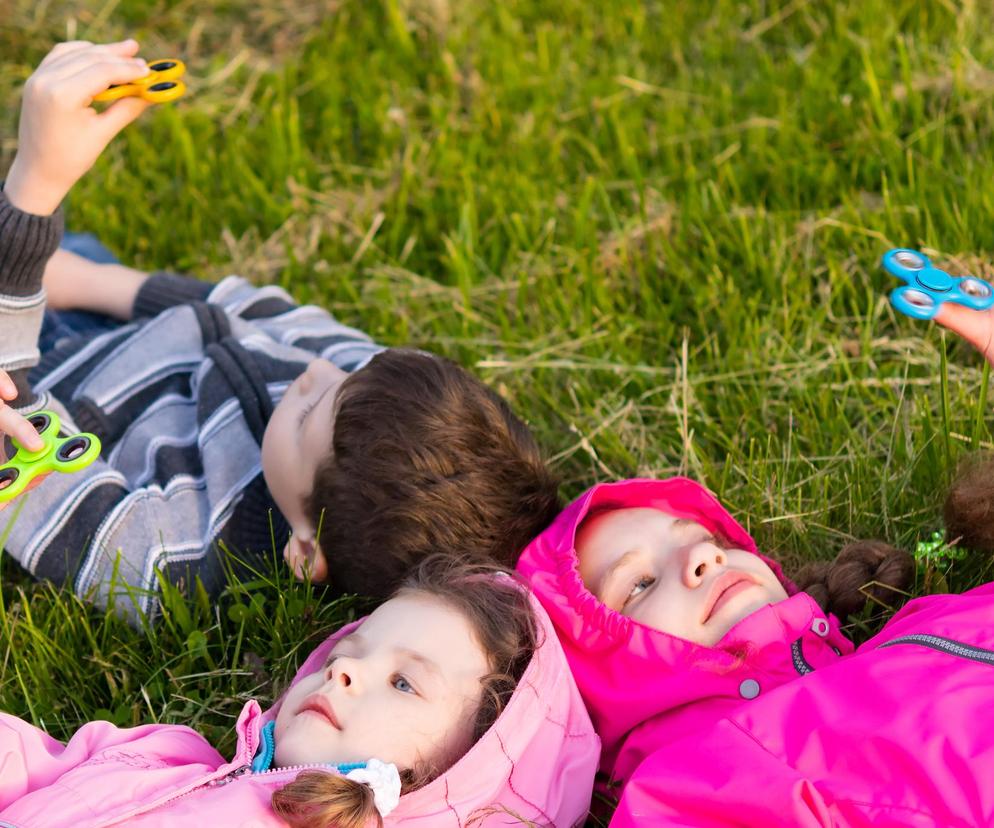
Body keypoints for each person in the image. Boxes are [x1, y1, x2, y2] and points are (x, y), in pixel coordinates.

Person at [0, 40, 560, 621]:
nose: (312, 370)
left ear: (304, 550)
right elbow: (256, 308)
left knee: (26, 210)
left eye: (304, 413)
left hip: (29, 394)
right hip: (108, 321)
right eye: (347, 371)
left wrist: (33, 198)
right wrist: (95, 282)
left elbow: (23, 467)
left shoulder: (170, 558)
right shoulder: (361, 395)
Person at [515, 469, 994, 826]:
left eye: (702, 538)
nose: (704, 557)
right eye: (640, 584)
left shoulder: (921, 629)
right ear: (596, 690)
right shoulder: (684, 792)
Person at [0, 556, 600, 827]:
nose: (343, 672)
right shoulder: (171, 756)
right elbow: (32, 765)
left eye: (402, 682)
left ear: (466, 771)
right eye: (345, 654)